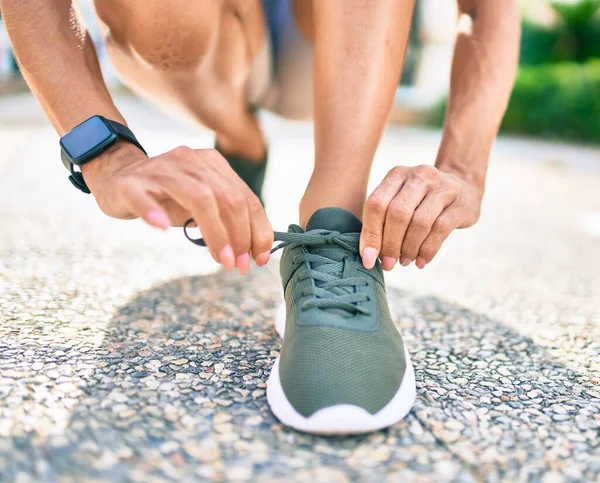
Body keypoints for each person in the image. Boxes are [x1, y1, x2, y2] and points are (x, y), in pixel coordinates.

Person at [1, 0, 520, 434]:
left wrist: (464, 169)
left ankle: (334, 217)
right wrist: (107, 156)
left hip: (339, 38)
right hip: (191, 51)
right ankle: (240, 137)